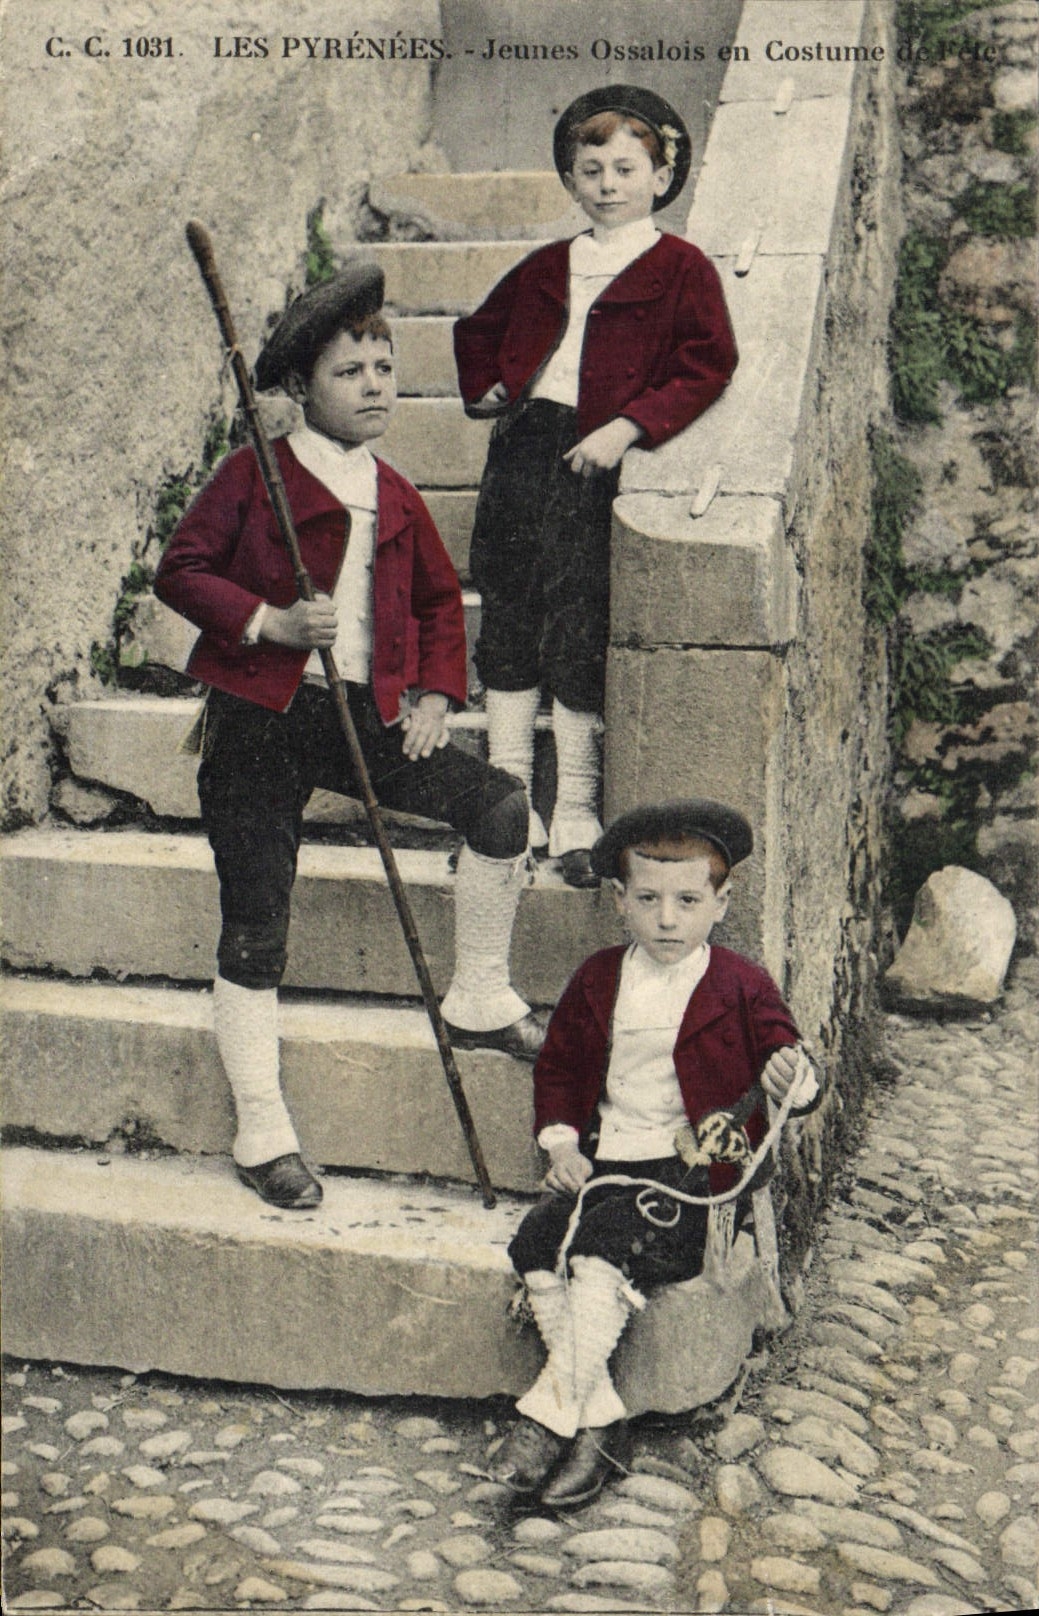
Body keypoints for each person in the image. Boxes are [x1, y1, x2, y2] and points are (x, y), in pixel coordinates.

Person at [155, 263, 546, 1213]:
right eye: (349, 371)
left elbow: (438, 604)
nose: (375, 385)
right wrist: (268, 623)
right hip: (260, 719)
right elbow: (181, 570)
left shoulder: (397, 491)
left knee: (500, 809)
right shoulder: (257, 475)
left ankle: (481, 995)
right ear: (297, 390)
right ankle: (263, 1128)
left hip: (363, 719)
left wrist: (434, 698)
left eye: (385, 367)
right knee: (256, 928)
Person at [489, 799, 821, 1509]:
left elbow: (792, 1060)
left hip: (692, 1176)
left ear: (719, 902)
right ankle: (600, 1419)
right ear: (619, 901)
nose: (667, 920)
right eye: (647, 899)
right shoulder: (600, 978)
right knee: (534, 1244)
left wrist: (794, 1074)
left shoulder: (740, 985)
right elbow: (561, 1069)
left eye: (687, 900)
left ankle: (545, 1416)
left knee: (600, 1246)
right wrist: (560, 1142)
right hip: (608, 1162)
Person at [453, 87, 738, 888]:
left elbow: (705, 362)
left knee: (579, 614)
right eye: (591, 169)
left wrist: (630, 427)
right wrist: (488, 390)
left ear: (659, 176)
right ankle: (509, 790)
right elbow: (477, 333)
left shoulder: (679, 268)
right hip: (526, 449)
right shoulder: (550, 263)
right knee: (509, 606)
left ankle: (575, 803)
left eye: (625, 167)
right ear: (572, 181)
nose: (608, 183)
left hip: (596, 454)